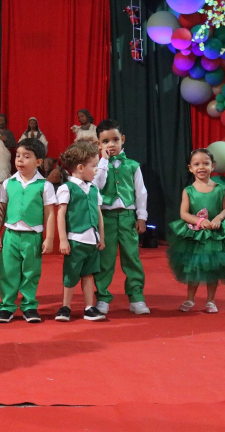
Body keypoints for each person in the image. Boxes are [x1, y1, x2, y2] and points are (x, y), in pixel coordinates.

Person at [168, 148, 225, 314]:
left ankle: (210, 300)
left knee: (213, 268)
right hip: (195, 235)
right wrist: (199, 221)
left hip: (215, 234)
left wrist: (218, 218)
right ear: (190, 168)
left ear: (213, 166)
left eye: (205, 163)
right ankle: (190, 298)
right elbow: (184, 214)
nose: (201, 167)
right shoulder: (188, 191)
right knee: (193, 267)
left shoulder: (220, 188)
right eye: (196, 164)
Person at [0, 138, 57, 323]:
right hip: (10, 235)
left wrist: (49, 238)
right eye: (18, 156)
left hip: (33, 237)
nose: (20, 160)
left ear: (39, 162)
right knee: (8, 271)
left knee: (31, 272)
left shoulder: (45, 185)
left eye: (26, 156)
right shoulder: (8, 183)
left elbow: (49, 214)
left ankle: (29, 306)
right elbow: (1, 211)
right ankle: (6, 307)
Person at [92, 119, 150, 316]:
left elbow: (141, 192)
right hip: (105, 218)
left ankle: (136, 297)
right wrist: (103, 161)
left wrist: (141, 217)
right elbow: (97, 186)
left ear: (122, 140)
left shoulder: (132, 165)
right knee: (105, 259)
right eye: (105, 141)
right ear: (98, 144)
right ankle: (102, 298)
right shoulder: (98, 166)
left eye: (115, 140)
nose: (111, 144)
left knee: (131, 257)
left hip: (127, 217)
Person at [55, 141, 106, 322]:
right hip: (75, 240)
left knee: (89, 274)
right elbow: (61, 215)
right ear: (80, 167)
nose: (96, 170)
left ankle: (89, 307)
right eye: (93, 166)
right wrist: (63, 239)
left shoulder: (94, 189)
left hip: (92, 241)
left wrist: (101, 237)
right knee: (71, 274)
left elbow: (98, 214)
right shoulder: (66, 188)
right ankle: (65, 307)